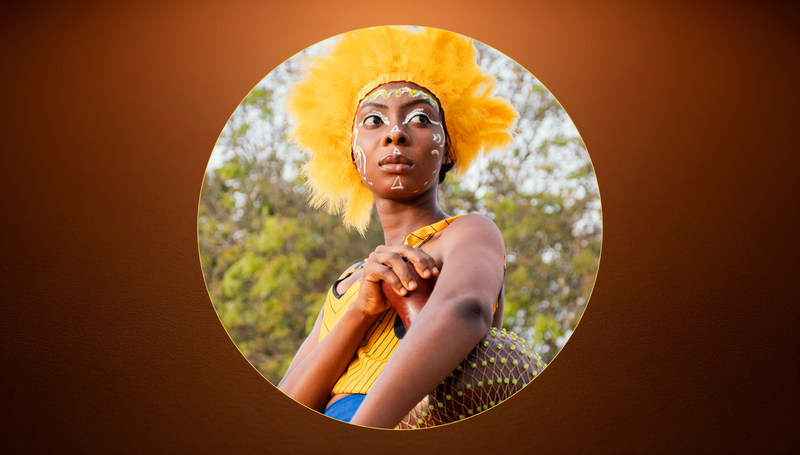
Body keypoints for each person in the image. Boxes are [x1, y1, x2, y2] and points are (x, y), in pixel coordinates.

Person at [276, 26, 519, 429]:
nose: (395, 133)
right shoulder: (349, 284)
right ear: (352, 154)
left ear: (448, 150)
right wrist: (361, 311)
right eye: (373, 120)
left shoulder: (467, 233)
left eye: (421, 118)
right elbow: (288, 400)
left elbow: (467, 309)